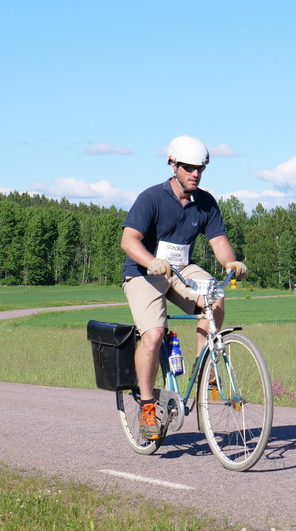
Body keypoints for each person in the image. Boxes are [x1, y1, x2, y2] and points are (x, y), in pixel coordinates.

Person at [120, 135, 247, 440]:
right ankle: (148, 406)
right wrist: (151, 262)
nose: (195, 174)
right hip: (143, 272)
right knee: (152, 335)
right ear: (172, 164)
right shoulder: (151, 198)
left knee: (214, 297)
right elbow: (128, 241)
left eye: (200, 169)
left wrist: (231, 264)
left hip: (181, 270)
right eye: (188, 168)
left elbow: (218, 242)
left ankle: (206, 371)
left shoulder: (205, 202)